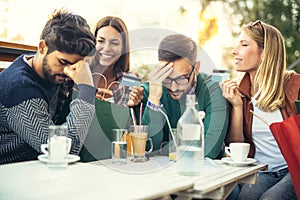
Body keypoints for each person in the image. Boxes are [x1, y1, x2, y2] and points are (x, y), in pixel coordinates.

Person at [0, 8, 97, 164]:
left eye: (76, 65)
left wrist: (79, 87)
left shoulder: (49, 72)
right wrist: (86, 90)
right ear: (42, 47)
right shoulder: (19, 88)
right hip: (11, 172)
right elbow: (65, 152)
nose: (67, 71)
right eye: (63, 62)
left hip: (37, 167)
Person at [220, 20, 299, 199]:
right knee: (245, 198)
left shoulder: (295, 86)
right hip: (262, 170)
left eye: (244, 44)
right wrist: (237, 107)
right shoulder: (240, 91)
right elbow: (237, 146)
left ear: (264, 53)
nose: (234, 51)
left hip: (293, 170)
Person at [139, 34, 229, 158]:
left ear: (196, 68)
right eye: (167, 79)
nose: (174, 87)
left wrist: (165, 149)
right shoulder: (152, 90)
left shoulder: (212, 90)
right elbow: (148, 149)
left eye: (182, 78)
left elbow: (210, 149)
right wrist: (154, 100)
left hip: (207, 171)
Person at [87, 16, 143, 106]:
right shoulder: (77, 74)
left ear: (123, 48)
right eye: (101, 41)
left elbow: (134, 118)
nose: (106, 48)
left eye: (114, 43)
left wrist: (131, 107)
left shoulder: (131, 80)